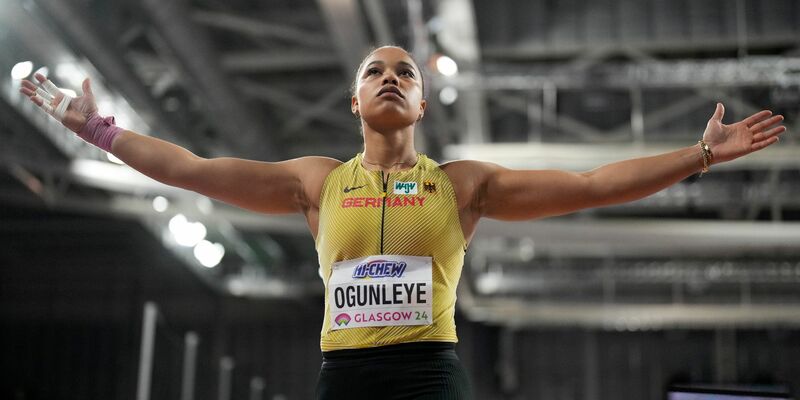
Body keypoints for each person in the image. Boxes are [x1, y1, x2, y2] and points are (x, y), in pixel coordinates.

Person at [20, 46, 786, 399]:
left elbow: (590, 184)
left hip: (430, 377)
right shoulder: (315, 183)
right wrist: (100, 132)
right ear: (356, 103)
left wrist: (698, 156)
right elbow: (191, 170)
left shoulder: (463, 187)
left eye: (405, 74)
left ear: (421, 105)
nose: (390, 78)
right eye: (374, 73)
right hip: (345, 380)